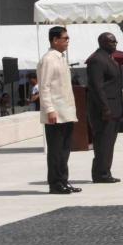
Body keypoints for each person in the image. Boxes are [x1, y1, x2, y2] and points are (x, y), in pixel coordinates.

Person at [37, 26, 81, 195]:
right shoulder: (48, 59)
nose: (68, 41)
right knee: (55, 150)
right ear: (55, 40)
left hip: (66, 110)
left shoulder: (61, 58)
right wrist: (49, 109)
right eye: (65, 38)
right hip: (55, 111)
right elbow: (44, 87)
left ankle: (63, 180)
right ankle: (55, 183)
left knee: (65, 149)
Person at [86, 32, 123, 184]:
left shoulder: (110, 59)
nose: (115, 44)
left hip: (114, 108)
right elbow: (96, 87)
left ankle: (105, 171)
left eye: (115, 41)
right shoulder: (97, 60)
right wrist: (105, 108)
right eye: (111, 41)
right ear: (102, 42)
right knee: (103, 142)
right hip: (103, 110)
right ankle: (101, 174)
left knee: (109, 142)